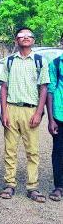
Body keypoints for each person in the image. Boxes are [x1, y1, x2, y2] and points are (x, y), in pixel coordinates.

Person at [0, 27, 49, 203]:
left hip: (31, 110)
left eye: (29, 36)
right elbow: (3, 87)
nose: (25, 38)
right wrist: (3, 111)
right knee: (10, 150)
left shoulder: (40, 61)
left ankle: (32, 187)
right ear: (16, 40)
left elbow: (44, 88)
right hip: (12, 108)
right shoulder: (10, 61)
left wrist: (38, 112)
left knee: (32, 151)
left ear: (33, 40)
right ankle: (9, 184)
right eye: (21, 36)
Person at [46, 53, 63, 202]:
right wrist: (51, 119)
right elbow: (50, 92)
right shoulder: (56, 64)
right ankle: (59, 186)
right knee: (58, 152)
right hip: (60, 114)